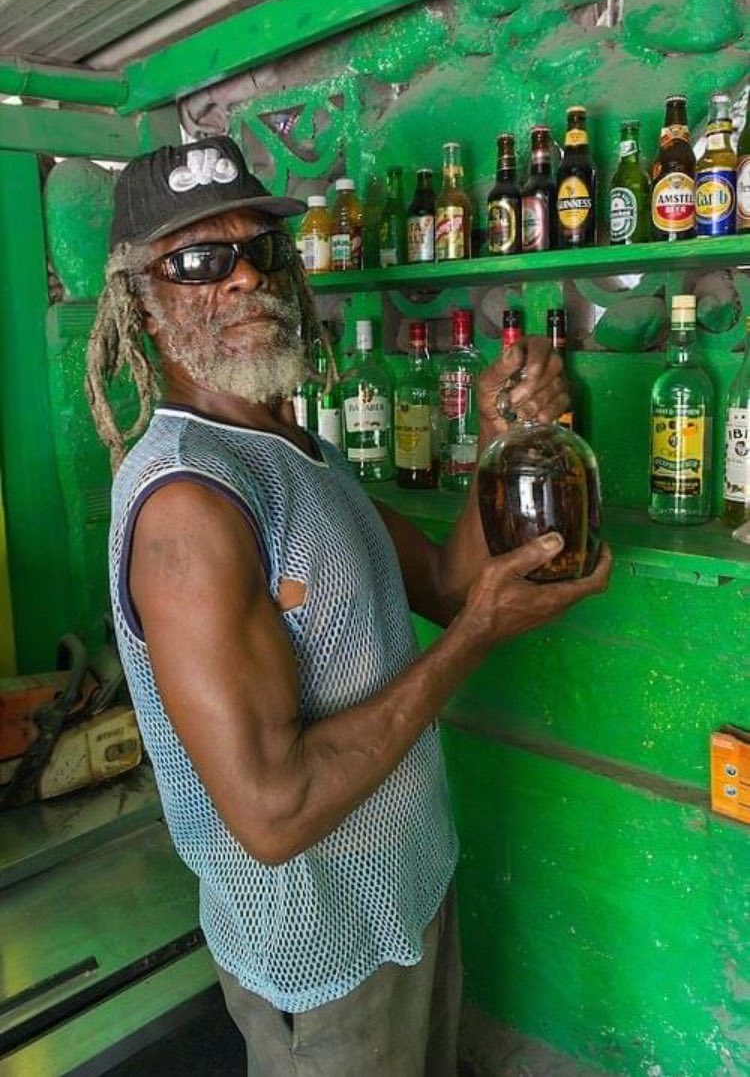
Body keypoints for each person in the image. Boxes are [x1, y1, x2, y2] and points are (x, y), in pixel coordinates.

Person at [86, 135, 611, 1077]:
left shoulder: (299, 453)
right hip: (318, 958)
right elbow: (274, 810)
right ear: (143, 306)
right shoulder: (188, 505)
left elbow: (447, 585)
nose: (243, 278)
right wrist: (480, 637)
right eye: (200, 259)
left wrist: (496, 443)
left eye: (262, 249)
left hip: (404, 896)